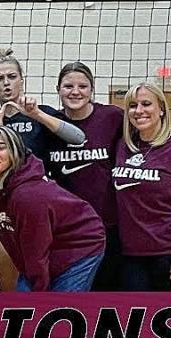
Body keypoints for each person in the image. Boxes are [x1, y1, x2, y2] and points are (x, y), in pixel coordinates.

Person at [0, 126, 106, 291]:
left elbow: (36, 252)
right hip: (39, 250)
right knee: (29, 298)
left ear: (16, 153)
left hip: (80, 244)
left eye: (1, 148)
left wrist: (38, 294)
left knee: (56, 307)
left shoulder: (28, 195)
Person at [114, 82, 171, 291]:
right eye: (132, 105)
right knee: (136, 320)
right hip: (132, 255)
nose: (139, 111)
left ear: (162, 109)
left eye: (146, 104)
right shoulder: (123, 146)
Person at [45, 62, 124, 290]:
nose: (75, 92)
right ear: (58, 89)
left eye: (83, 86)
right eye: (68, 86)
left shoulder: (113, 117)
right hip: (66, 231)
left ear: (92, 90)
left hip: (107, 225)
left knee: (107, 293)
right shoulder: (51, 125)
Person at [0, 49, 86, 161]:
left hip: (36, 177)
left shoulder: (41, 112)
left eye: (12, 76)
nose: (6, 83)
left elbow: (79, 138)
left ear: (22, 80)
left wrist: (37, 115)